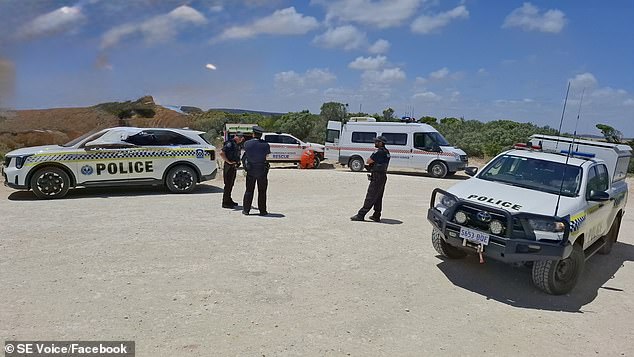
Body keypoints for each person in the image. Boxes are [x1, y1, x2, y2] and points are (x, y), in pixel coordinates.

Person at [350, 136, 391, 222]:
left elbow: (369, 161)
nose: (375, 143)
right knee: (378, 196)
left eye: (377, 142)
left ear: (381, 143)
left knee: (371, 195)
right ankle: (376, 215)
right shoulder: (387, 152)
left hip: (377, 176)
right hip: (383, 175)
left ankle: (361, 215)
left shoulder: (378, 151)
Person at [241, 126, 271, 216]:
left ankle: (246, 210)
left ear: (253, 134)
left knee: (249, 190)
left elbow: (245, 155)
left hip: (251, 169)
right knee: (262, 191)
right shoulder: (265, 144)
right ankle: (262, 210)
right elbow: (267, 156)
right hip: (261, 169)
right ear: (261, 134)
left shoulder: (247, 144)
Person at [219, 131, 245, 208]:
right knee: (228, 185)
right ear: (236, 137)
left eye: (242, 137)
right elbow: (221, 153)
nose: (241, 139)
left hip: (233, 166)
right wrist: (228, 162)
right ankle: (225, 203)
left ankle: (228, 200)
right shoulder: (230, 143)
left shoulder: (236, 144)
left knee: (231, 184)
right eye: (240, 137)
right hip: (229, 166)